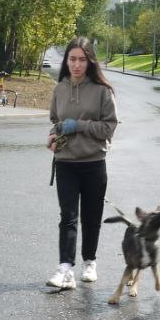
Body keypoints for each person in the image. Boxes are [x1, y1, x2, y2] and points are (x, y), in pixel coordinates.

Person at [45, 36, 117, 291]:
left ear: (90, 61)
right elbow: (55, 120)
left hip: (94, 162)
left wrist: (80, 126)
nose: (77, 64)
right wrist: (53, 136)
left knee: (91, 216)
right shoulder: (60, 88)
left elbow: (109, 127)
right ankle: (65, 268)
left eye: (82, 60)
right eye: (72, 59)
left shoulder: (101, 91)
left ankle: (90, 261)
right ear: (66, 61)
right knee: (68, 216)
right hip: (65, 162)